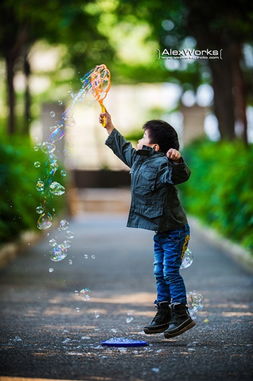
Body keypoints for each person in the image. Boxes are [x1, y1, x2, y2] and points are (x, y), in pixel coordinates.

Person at [100, 110, 195, 338]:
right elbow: (121, 148)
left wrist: (177, 160)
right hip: (161, 230)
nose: (139, 139)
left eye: (144, 136)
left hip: (175, 229)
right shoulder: (138, 159)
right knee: (158, 271)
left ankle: (181, 314)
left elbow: (179, 176)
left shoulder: (164, 164)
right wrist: (109, 126)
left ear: (154, 146)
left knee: (169, 271)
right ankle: (163, 312)